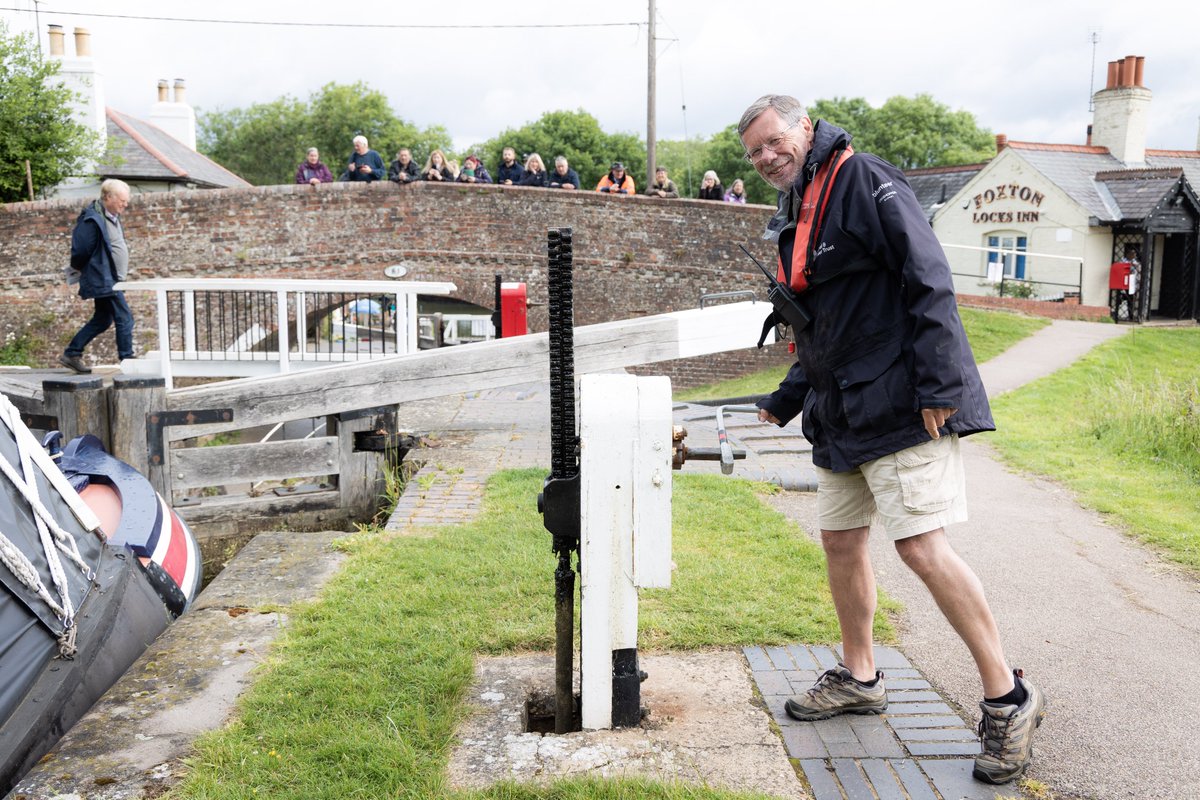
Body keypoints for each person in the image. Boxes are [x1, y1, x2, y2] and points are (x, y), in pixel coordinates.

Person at [739, 94, 1043, 786]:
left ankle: (1008, 697)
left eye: (773, 140)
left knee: (921, 547)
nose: (765, 156)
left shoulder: (865, 179)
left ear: (804, 128)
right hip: (842, 411)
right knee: (842, 542)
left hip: (905, 400)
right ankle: (861, 675)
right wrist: (786, 399)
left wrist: (940, 386)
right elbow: (821, 319)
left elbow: (930, 277)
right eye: (754, 150)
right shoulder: (796, 209)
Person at [59, 179, 135, 373]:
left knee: (102, 319)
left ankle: (72, 353)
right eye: (122, 200)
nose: (125, 204)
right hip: (104, 277)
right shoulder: (92, 219)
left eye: (126, 201)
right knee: (124, 317)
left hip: (111, 277)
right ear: (108, 197)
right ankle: (128, 360)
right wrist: (85, 269)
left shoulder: (111, 216)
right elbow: (80, 250)